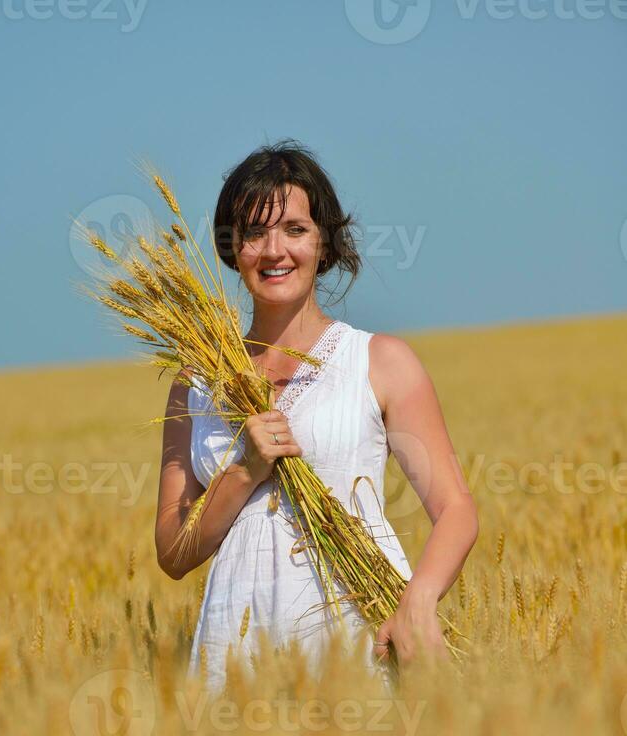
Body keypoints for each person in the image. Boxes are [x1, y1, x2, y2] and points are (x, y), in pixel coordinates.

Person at [154, 139, 479, 693]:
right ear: (233, 250)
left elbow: (456, 509)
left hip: (353, 637)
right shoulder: (196, 383)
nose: (274, 250)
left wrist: (416, 605)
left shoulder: (378, 361)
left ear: (323, 242)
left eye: (295, 230)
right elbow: (173, 553)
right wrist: (244, 471)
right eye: (254, 233)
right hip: (234, 652)